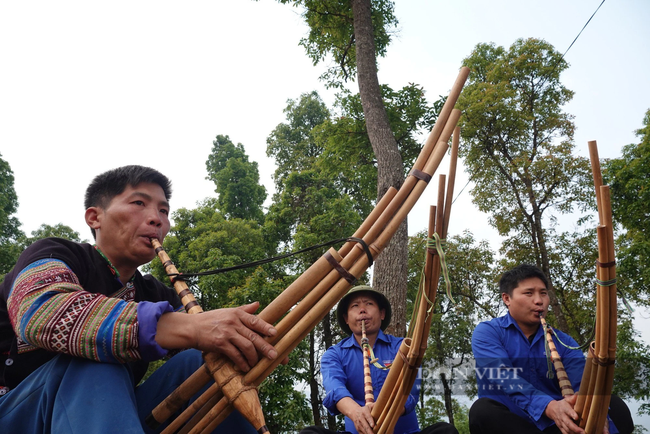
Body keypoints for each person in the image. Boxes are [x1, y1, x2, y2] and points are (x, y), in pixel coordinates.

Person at [0, 165, 281, 433]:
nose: (157, 219)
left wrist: (246, 340)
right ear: (94, 217)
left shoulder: (154, 292)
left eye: (163, 210)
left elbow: (210, 333)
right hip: (18, 415)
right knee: (96, 358)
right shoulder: (58, 254)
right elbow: (41, 314)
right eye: (138, 203)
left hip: (110, 418)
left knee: (205, 362)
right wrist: (192, 328)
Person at [469, 264, 634, 434]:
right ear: (507, 299)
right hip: (514, 425)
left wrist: (595, 416)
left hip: (557, 427)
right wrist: (549, 407)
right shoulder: (488, 332)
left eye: (543, 293)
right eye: (528, 293)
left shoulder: (563, 341)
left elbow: (582, 385)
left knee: (613, 405)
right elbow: (503, 376)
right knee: (482, 411)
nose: (539, 300)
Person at [300, 285, 458, 434]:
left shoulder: (404, 347)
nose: (362, 310)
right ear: (346, 318)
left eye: (369, 304)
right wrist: (357, 413)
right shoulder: (334, 354)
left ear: (382, 314)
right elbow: (335, 390)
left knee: (445, 431)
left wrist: (387, 410)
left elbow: (411, 393)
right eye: (355, 306)